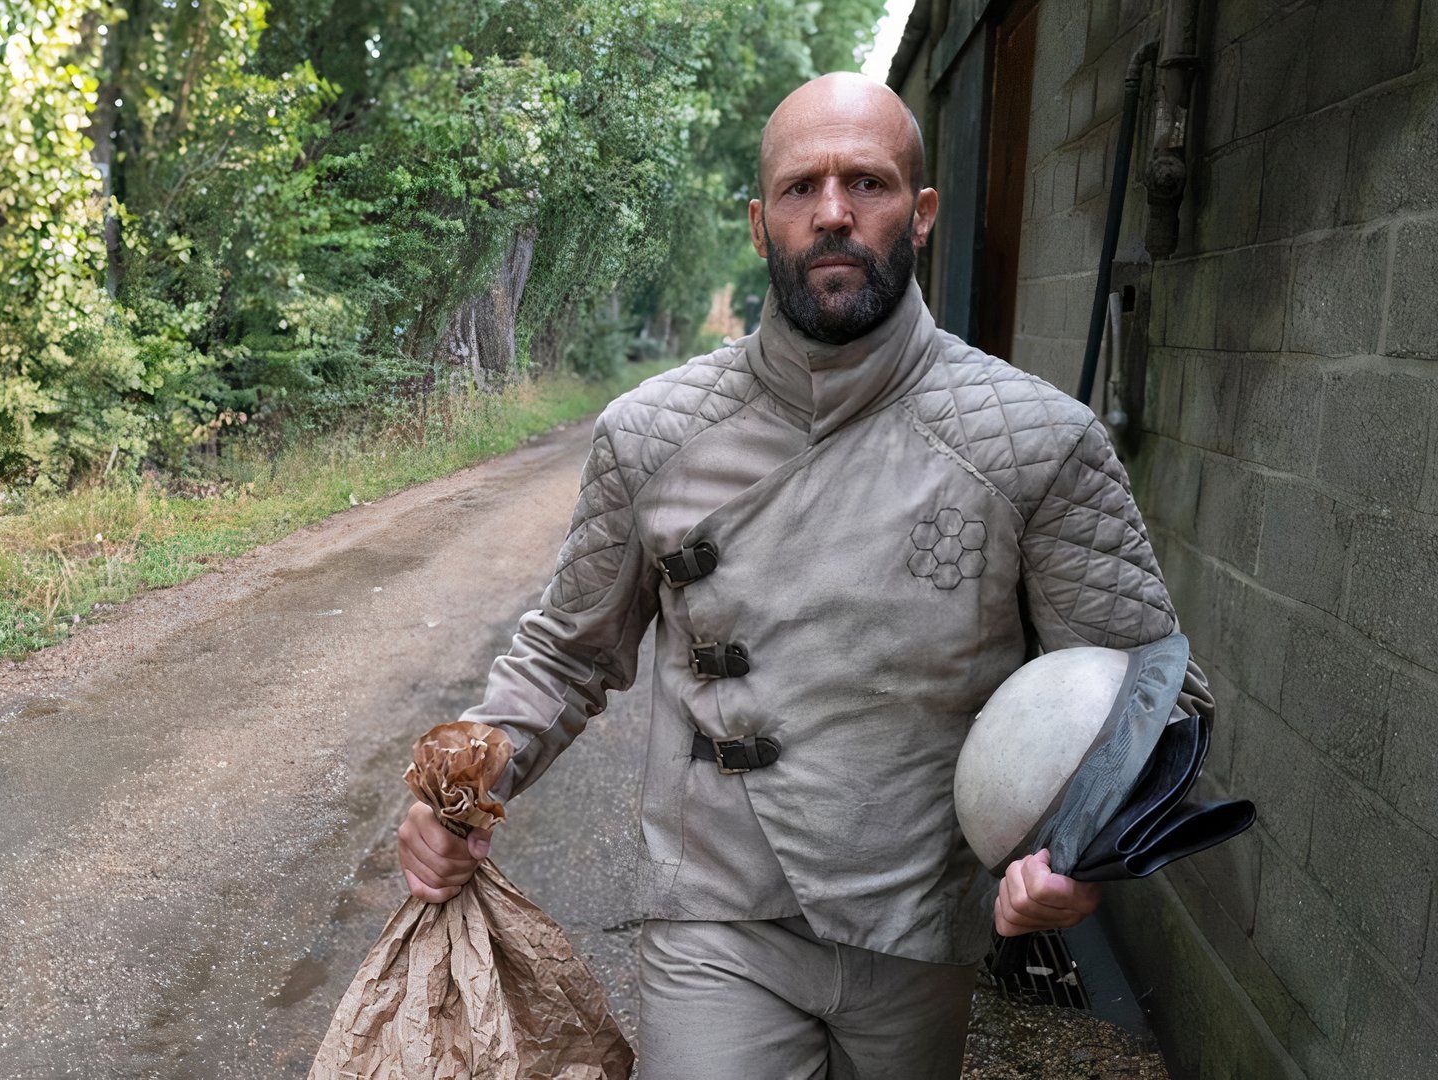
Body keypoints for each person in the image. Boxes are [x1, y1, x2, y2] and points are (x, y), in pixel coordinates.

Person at [395, 71, 1211, 1078]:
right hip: (717, 916)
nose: (832, 212)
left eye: (865, 183)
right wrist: (457, 784)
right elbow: (565, 650)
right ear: (757, 221)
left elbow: (1150, 691)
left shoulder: (1036, 441)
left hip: (918, 925)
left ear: (920, 215)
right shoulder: (653, 434)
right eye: (801, 187)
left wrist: (1080, 851)